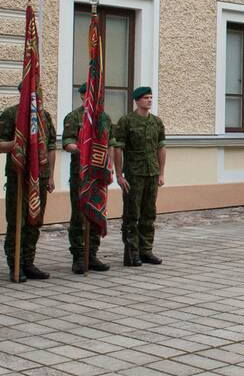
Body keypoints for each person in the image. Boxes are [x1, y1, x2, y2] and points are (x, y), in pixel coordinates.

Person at [0, 98, 58, 281]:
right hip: (19, 176)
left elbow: (51, 146)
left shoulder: (44, 116)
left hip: (40, 176)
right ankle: (15, 264)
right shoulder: (11, 114)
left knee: (35, 220)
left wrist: (51, 175)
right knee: (16, 222)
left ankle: (29, 262)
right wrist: (19, 143)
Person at [111, 86, 166, 267]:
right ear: (137, 101)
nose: (149, 100)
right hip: (134, 175)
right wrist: (119, 175)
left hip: (151, 173)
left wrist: (161, 173)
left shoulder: (156, 122)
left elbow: (161, 147)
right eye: (145, 98)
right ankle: (131, 253)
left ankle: (146, 250)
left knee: (149, 213)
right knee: (131, 215)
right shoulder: (126, 121)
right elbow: (118, 148)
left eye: (151, 97)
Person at [62, 84, 110, 274]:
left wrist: (110, 166)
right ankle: (79, 256)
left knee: (96, 211)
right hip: (80, 175)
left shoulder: (103, 118)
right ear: (82, 96)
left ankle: (92, 254)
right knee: (79, 216)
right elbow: (67, 143)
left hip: (98, 174)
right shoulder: (74, 117)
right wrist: (83, 149)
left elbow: (110, 143)